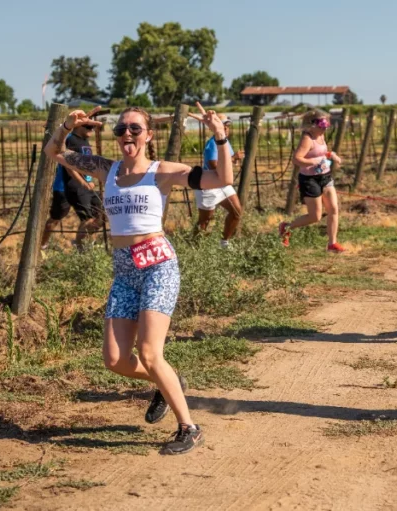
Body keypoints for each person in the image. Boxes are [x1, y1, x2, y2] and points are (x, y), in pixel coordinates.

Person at [44, 103, 232, 455]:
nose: (126, 134)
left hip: (158, 265)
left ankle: (188, 427)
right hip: (125, 270)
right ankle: (167, 381)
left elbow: (222, 180)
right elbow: (52, 151)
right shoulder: (107, 169)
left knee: (149, 352)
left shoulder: (162, 172)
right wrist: (65, 127)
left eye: (134, 129)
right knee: (114, 360)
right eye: (120, 129)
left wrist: (219, 137)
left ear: (148, 135)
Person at [279, 109, 345, 252]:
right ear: (312, 124)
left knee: (334, 209)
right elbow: (297, 159)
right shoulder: (307, 138)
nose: (324, 129)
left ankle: (332, 243)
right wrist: (315, 161)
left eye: (326, 126)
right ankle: (286, 227)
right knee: (315, 216)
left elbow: (321, 153)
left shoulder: (321, 137)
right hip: (309, 180)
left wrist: (331, 155)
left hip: (325, 177)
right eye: (321, 126)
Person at [41, 123, 104, 251]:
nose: (91, 129)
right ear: (78, 127)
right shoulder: (69, 139)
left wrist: (89, 179)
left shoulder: (84, 141)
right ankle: (42, 245)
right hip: (64, 187)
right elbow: (68, 164)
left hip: (84, 186)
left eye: (92, 127)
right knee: (56, 218)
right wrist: (82, 182)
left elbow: (85, 164)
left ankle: (84, 246)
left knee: (96, 215)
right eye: (87, 126)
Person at [194, 114, 244, 248]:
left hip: (223, 184)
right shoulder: (212, 144)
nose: (226, 129)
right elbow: (214, 166)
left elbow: (226, 161)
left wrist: (234, 158)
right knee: (204, 221)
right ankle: (194, 247)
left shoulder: (225, 141)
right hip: (210, 185)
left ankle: (224, 243)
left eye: (227, 126)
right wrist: (234, 159)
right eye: (223, 126)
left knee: (236, 212)